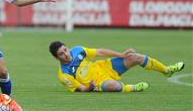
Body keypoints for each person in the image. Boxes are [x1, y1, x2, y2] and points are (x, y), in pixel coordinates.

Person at [49, 41, 185, 92]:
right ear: (57, 58)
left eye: (65, 50)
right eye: (61, 54)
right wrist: (89, 87)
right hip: (98, 82)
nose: (66, 54)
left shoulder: (78, 50)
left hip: (105, 67)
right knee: (114, 86)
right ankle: (132, 88)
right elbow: (82, 89)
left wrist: (121, 54)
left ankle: (166, 70)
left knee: (135, 57)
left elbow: (100, 52)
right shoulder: (64, 74)